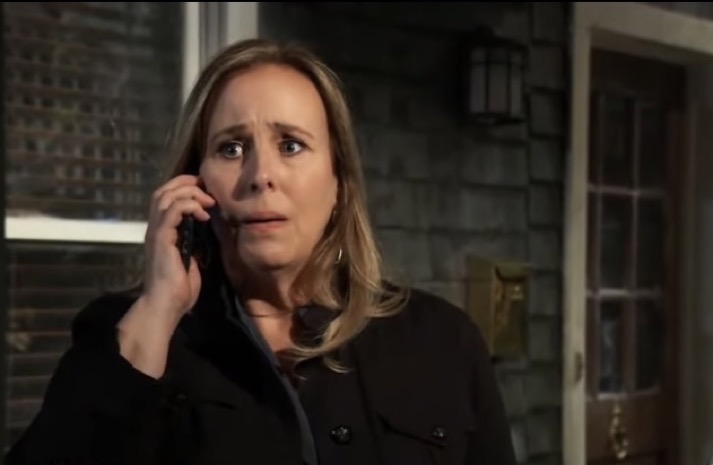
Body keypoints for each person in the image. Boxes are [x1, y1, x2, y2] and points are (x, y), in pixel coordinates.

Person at [4, 38, 516, 465]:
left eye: (290, 145)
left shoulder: (442, 342)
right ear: (194, 183)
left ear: (338, 183)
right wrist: (158, 311)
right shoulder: (134, 334)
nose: (260, 175)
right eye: (231, 148)